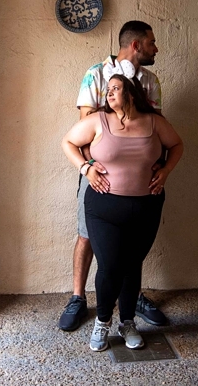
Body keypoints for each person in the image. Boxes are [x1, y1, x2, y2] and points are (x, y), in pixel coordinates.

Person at [57, 21, 170, 331]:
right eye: (151, 42)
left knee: (133, 242)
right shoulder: (95, 74)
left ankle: (131, 299)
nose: (155, 48)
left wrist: (160, 166)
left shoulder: (151, 81)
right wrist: (89, 168)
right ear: (136, 45)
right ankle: (78, 297)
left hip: (139, 180)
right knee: (87, 233)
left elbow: (155, 124)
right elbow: (86, 125)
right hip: (97, 172)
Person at [61, 75, 183, 351]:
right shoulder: (98, 121)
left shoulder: (154, 122)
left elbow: (177, 145)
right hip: (103, 207)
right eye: (108, 90)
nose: (109, 93)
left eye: (116, 88)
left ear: (131, 93)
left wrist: (165, 171)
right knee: (110, 266)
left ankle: (127, 322)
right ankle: (102, 322)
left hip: (146, 205)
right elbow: (68, 142)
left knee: (132, 264)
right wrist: (86, 168)